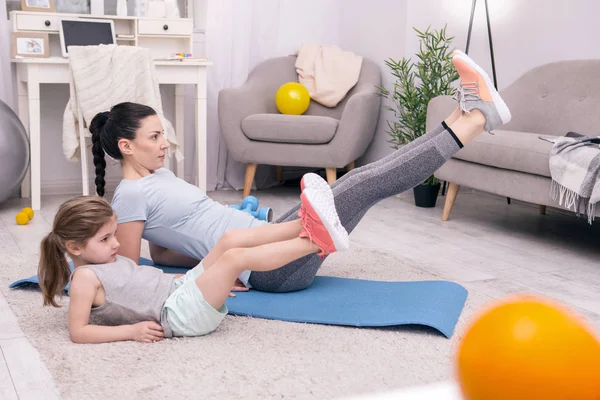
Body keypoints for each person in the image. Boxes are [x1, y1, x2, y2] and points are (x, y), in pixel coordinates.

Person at [90, 51, 511, 293]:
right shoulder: (129, 196)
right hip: (269, 267)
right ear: (126, 146)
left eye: (164, 134)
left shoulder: (158, 177)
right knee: (364, 184)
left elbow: (163, 252)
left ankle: (467, 115)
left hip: (264, 239)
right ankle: (473, 122)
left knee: (354, 182)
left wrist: (208, 263)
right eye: (155, 137)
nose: (165, 143)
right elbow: (131, 268)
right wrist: (212, 275)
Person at [37, 175, 349, 343]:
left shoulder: (102, 262)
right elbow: (78, 332)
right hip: (176, 315)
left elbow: (142, 283)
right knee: (235, 259)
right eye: (105, 239)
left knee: (228, 240)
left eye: (114, 234)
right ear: (74, 247)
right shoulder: (84, 279)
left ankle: (304, 222)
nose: (117, 243)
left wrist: (206, 282)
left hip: (181, 290)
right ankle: (316, 242)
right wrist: (130, 332)